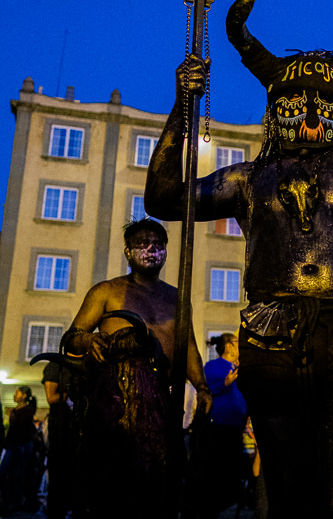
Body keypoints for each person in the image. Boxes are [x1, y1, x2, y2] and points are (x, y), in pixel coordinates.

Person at [145, 0, 333, 518]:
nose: (311, 117)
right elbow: (164, 198)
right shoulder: (250, 178)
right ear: (274, 113)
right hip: (274, 333)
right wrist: (183, 104)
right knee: (289, 495)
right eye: (295, 105)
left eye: (326, 108)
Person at [60, 218, 212, 519]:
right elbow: (72, 338)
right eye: (143, 243)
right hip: (113, 406)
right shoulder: (107, 291)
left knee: (159, 486)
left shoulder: (176, 298)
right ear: (128, 252)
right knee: (110, 488)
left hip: (163, 405)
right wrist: (89, 340)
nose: (151, 249)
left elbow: (189, 347)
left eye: (158, 244)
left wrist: (203, 387)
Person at [195, 334, 249, 518]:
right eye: (236, 341)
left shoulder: (241, 367)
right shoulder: (213, 366)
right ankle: (215, 507)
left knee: (234, 469)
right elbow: (204, 390)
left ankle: (230, 503)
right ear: (229, 346)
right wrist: (224, 383)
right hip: (218, 428)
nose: (239, 345)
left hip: (236, 428)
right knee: (219, 470)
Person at [42, 361, 74, 519]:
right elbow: (51, 397)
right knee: (59, 477)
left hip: (78, 431)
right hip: (61, 432)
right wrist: (71, 391)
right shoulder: (56, 366)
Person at [0, 385, 38, 515]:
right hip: (14, 445)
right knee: (7, 472)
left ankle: (15, 502)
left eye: (17, 393)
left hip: (21, 445)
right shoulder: (17, 410)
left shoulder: (27, 410)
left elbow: (20, 429)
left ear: (24, 395)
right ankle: (10, 500)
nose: (15, 395)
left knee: (17, 473)